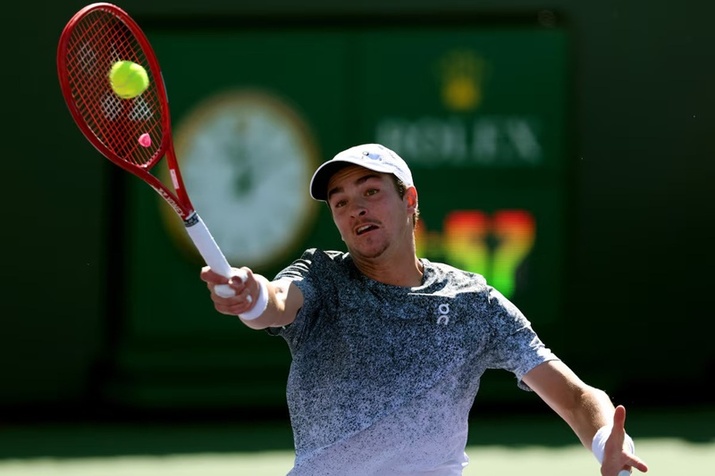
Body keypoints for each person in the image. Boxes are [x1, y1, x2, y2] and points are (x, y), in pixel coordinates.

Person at [200, 143, 649, 476]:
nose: (356, 210)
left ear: (410, 200)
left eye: (370, 192)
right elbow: (276, 302)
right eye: (341, 202)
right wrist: (250, 295)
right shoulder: (322, 276)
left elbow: (576, 397)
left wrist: (608, 441)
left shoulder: (473, 302)